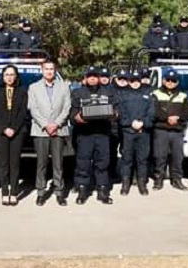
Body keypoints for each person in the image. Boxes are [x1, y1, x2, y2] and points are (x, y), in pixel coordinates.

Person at [70, 66, 116, 205]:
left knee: (103, 162)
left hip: (102, 133)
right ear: (85, 78)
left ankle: (102, 190)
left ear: (99, 78)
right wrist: (76, 117)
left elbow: (117, 110)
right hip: (85, 134)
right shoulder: (77, 92)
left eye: (95, 76)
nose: (92, 78)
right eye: (89, 76)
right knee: (83, 162)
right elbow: (72, 113)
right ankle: (83, 189)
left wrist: (114, 114)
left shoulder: (108, 92)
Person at [28, 59, 70, 206]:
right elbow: (33, 109)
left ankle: (59, 192)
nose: (49, 71)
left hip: (59, 130)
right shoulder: (33, 88)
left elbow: (66, 108)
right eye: (46, 69)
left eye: (51, 69)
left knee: (58, 163)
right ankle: (41, 192)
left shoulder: (64, 87)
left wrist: (56, 124)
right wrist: (46, 125)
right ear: (42, 70)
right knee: (41, 163)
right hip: (41, 131)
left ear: (55, 70)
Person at [0, 65, 28, 206]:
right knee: (3, 163)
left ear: (16, 76)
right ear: (3, 77)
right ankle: (5, 192)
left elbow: (23, 113)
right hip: (1, 132)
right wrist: (5, 128)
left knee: (15, 163)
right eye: (7, 74)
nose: (9, 77)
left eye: (12, 74)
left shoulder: (23, 92)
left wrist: (14, 128)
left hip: (17, 131)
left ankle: (15, 192)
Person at [151, 69, 188, 191]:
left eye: (173, 80)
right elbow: (154, 111)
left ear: (177, 82)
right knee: (159, 156)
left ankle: (177, 180)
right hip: (161, 130)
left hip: (177, 131)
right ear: (163, 80)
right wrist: (166, 118)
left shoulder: (183, 96)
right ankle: (158, 179)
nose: (170, 82)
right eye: (167, 80)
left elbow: (187, 113)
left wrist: (177, 118)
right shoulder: (156, 94)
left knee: (177, 157)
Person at [118, 69, 155, 196]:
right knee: (126, 159)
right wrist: (131, 123)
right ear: (129, 81)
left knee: (142, 159)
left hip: (143, 132)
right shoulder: (123, 96)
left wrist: (143, 123)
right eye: (132, 81)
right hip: (128, 132)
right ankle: (125, 184)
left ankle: (142, 183)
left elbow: (151, 114)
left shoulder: (148, 96)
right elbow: (121, 114)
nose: (135, 83)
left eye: (137, 81)